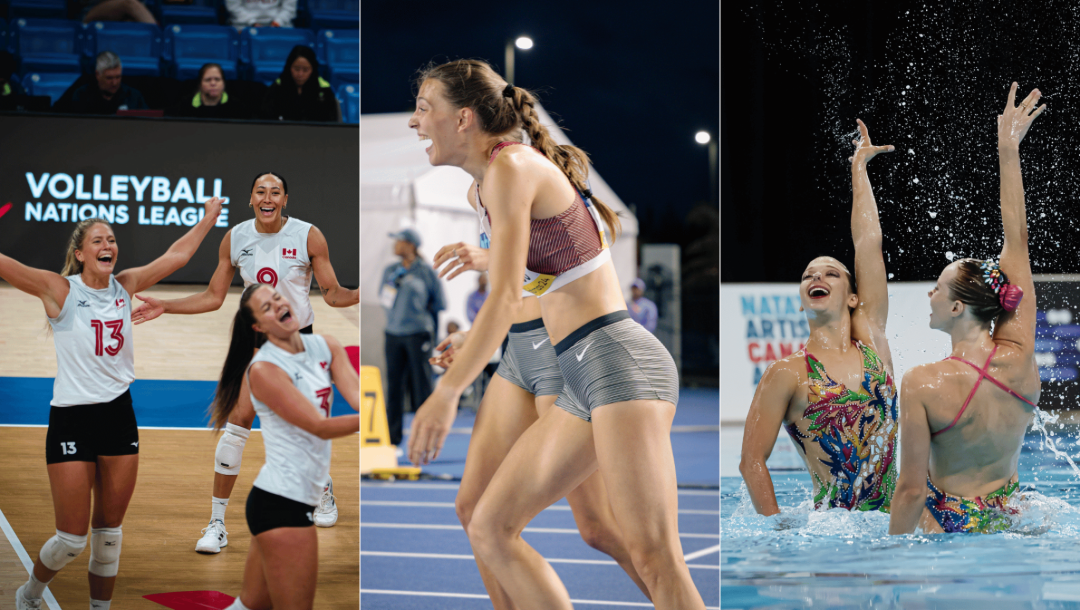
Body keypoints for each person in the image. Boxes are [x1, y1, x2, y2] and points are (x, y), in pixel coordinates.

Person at [405, 59, 705, 609]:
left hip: (618, 363)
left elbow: (504, 295)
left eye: (425, 109)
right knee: (489, 525)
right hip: (576, 374)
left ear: (465, 117)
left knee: (654, 554)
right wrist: (476, 333)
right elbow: (534, 284)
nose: (413, 121)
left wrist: (447, 395)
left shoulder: (513, 167)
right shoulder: (495, 181)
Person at [10, 199, 222, 610]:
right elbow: (7, 267)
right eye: (98, 240)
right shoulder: (60, 290)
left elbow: (177, 256)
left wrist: (208, 220)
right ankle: (30, 593)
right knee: (71, 539)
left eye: (112, 239)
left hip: (118, 416)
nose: (108, 245)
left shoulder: (124, 285)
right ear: (80, 253)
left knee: (109, 536)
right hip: (72, 419)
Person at [130, 171, 358, 553]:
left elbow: (332, 294)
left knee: (301, 429)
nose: (268, 197)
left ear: (285, 200)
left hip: (301, 345)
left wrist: (363, 294)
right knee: (236, 427)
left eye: (275, 192)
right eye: (260, 192)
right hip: (254, 345)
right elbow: (214, 297)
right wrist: (165, 306)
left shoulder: (308, 235)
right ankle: (216, 523)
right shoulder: (236, 237)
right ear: (250, 198)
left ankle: (323, 487)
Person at [431, 241, 652, 606]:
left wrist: (496, 257)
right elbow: (513, 290)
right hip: (517, 350)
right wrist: (476, 337)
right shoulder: (479, 191)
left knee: (600, 529)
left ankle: (674, 596)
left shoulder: (530, 183)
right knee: (472, 510)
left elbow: (567, 259)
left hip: (558, 349)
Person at [890, 83, 1044, 535]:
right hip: (1013, 520)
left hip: (946, 525)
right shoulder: (1019, 359)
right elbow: (1018, 239)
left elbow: (911, 492)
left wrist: (886, 566)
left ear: (957, 307)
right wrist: (1008, 151)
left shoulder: (922, 383)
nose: (929, 295)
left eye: (936, 288)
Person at [740, 119, 897, 516]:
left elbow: (868, 242)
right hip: (834, 532)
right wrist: (777, 530)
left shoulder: (872, 340)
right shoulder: (786, 374)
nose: (817, 277)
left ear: (853, 296)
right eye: (808, 274)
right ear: (801, 299)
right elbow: (751, 460)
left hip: (899, 523)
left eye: (830, 272)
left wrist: (858, 169)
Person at [212, 284, 359, 610]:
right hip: (284, 504)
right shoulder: (264, 369)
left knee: (249, 605)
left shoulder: (327, 345)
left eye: (277, 297)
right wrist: (376, 418)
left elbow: (360, 398)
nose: (277, 304)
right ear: (258, 327)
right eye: (266, 307)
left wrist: (380, 403)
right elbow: (318, 426)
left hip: (283, 498)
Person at [380, 227, 445, 454]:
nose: (394, 245)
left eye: (398, 241)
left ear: (411, 245)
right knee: (394, 389)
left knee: (422, 389)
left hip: (419, 335)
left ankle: (424, 440)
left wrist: (435, 340)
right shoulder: (391, 271)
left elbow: (438, 305)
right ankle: (393, 441)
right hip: (393, 335)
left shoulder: (426, 272)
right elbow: (384, 299)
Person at [259, 46, 339, 123]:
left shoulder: (324, 90)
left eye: (305, 70)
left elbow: (331, 122)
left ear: (313, 69)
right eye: (296, 69)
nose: (300, 74)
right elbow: (266, 120)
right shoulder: (277, 88)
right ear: (289, 67)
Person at [69, 52, 149, 116]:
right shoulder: (82, 95)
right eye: (109, 78)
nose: (114, 83)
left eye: (118, 77)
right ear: (97, 75)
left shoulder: (134, 97)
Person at [169, 63, 245, 119]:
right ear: (200, 84)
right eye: (208, 80)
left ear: (224, 83)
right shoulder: (183, 106)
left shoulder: (238, 107)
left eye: (217, 79)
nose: (213, 83)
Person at [226, 0, 297, 28]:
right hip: (244, 25)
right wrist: (252, 22)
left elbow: (289, 9)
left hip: (279, 26)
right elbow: (234, 7)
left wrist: (278, 22)